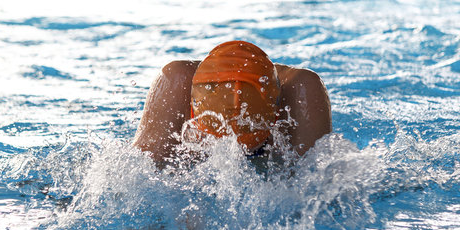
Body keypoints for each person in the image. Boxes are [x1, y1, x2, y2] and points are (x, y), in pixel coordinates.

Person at [133, 41, 332, 162]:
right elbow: (138, 183)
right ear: (193, 111)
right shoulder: (175, 83)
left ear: (276, 112)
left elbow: (314, 193)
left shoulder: (302, 91)